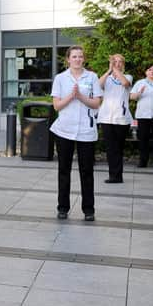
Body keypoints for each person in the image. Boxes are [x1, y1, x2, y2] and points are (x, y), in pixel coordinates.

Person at [50, 45, 102, 221]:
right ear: (68, 59)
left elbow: (96, 103)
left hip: (86, 131)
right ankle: (63, 207)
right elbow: (56, 105)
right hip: (64, 130)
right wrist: (71, 97)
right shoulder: (60, 78)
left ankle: (89, 210)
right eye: (74, 57)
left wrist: (81, 97)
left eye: (80, 56)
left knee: (86, 171)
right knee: (64, 170)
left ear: (84, 59)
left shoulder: (92, 77)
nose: (78, 59)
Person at [97, 54, 132, 183]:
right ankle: (114, 175)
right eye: (114, 61)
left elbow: (125, 83)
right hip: (106, 118)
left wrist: (116, 69)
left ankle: (118, 175)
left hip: (121, 118)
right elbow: (98, 85)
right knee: (110, 148)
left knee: (118, 148)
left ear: (123, 64)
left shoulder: (128, 76)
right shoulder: (108, 78)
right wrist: (108, 70)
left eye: (119, 62)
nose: (117, 63)